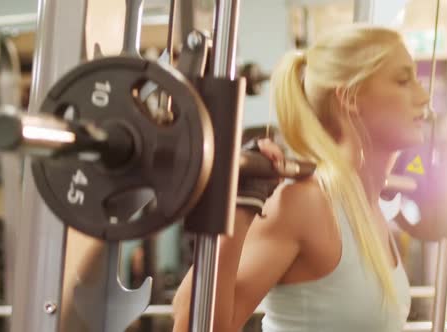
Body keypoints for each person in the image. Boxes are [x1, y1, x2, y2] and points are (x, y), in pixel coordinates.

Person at [172, 24, 429, 332]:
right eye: (403, 80)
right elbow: (193, 324)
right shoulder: (308, 203)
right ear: (349, 98)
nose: (423, 96)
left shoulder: (368, 210)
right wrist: (242, 202)